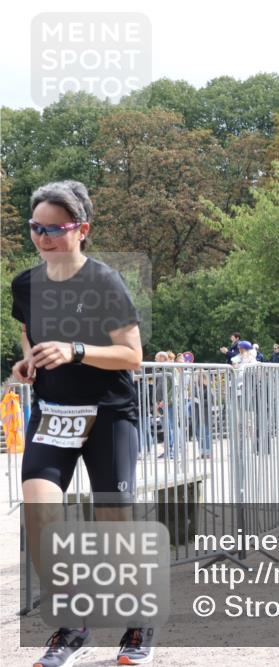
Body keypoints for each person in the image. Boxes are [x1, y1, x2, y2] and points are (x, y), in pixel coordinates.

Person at [11, 181, 155, 665]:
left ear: (82, 229)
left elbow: (132, 355)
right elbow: (31, 338)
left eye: (56, 228)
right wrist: (28, 361)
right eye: (36, 228)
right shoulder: (25, 284)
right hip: (53, 416)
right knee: (40, 513)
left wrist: (76, 350)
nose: (44, 237)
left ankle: (139, 623)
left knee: (114, 523)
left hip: (108, 414)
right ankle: (72, 628)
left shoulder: (104, 283)